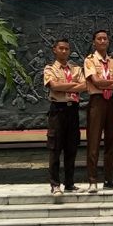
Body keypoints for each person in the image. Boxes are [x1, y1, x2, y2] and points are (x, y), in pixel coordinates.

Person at [43, 39, 86, 196]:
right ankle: (55, 184)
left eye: (66, 49)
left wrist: (64, 87)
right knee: (55, 148)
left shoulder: (76, 69)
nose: (64, 51)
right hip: (58, 111)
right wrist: (73, 86)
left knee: (71, 148)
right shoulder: (50, 68)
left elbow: (84, 85)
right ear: (54, 49)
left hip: (72, 110)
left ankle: (69, 183)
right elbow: (54, 86)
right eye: (61, 48)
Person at [84, 29, 113, 193]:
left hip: (111, 102)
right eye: (99, 39)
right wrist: (111, 83)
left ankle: (109, 179)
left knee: (111, 140)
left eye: (105, 39)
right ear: (94, 42)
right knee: (94, 141)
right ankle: (92, 180)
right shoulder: (89, 60)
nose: (102, 41)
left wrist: (106, 83)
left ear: (108, 41)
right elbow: (95, 82)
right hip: (97, 101)